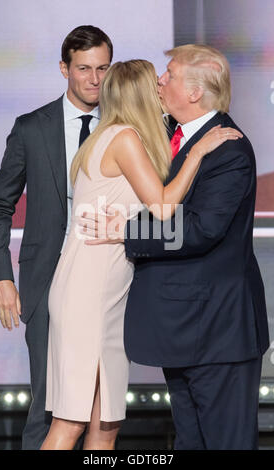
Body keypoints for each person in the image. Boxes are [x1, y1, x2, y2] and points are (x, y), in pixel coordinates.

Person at [40, 57, 242, 450]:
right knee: (71, 421)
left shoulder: (118, 133)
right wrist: (199, 151)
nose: (163, 87)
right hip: (90, 291)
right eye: (157, 82)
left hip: (107, 291)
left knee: (105, 424)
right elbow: (164, 207)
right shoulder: (123, 137)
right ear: (141, 93)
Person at [79, 44, 270, 450]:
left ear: (196, 92)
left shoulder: (229, 148)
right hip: (179, 328)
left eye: (169, 75)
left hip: (216, 330)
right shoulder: (166, 134)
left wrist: (126, 232)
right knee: (190, 441)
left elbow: (201, 228)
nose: (160, 82)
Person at [0, 25, 113, 450]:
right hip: (48, 281)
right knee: (50, 406)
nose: (95, 79)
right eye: (84, 69)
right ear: (64, 69)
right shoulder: (31, 128)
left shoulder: (124, 125)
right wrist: (2, 276)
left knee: (102, 413)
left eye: (103, 69)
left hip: (111, 282)